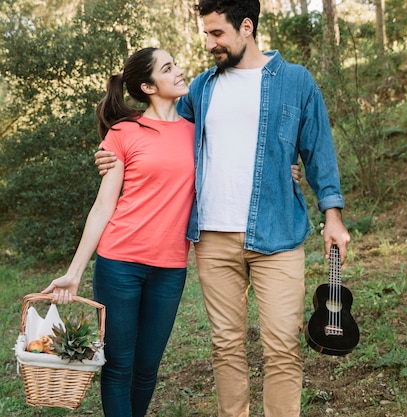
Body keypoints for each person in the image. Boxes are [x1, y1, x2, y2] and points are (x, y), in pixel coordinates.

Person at [96, 1, 351, 415]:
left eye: (217, 34)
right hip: (213, 239)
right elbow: (163, 132)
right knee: (226, 346)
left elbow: (319, 150)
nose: (210, 43)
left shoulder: (295, 81)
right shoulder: (200, 88)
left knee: (283, 344)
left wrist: (332, 215)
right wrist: (113, 153)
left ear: (246, 27)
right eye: (207, 34)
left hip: (278, 233)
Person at [42, 47, 196, 417]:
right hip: (120, 263)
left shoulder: (196, 131)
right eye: (168, 68)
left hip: (171, 268)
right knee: (119, 364)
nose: (178, 72)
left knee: (147, 367)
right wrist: (75, 272)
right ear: (148, 86)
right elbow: (103, 206)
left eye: (175, 65)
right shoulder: (125, 133)